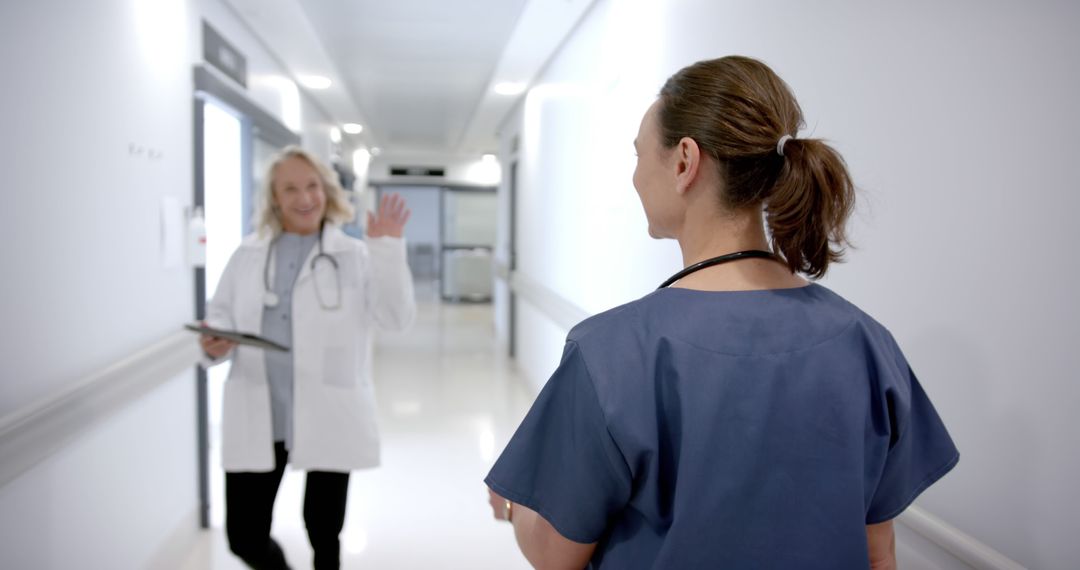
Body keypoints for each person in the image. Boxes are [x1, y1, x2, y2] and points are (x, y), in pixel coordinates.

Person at [484, 56, 958, 569]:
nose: (636, 177)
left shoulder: (612, 353)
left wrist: (514, 507)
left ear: (685, 161)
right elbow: (878, 555)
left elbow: (557, 556)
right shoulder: (866, 343)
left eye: (640, 154)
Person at [200, 146, 415, 569]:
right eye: (291, 188)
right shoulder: (248, 254)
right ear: (274, 198)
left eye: (312, 185)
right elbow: (220, 313)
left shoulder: (354, 255)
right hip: (263, 410)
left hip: (328, 407)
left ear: (327, 191)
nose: (304, 198)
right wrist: (214, 342)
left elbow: (394, 318)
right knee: (244, 536)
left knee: (324, 530)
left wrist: (388, 249)